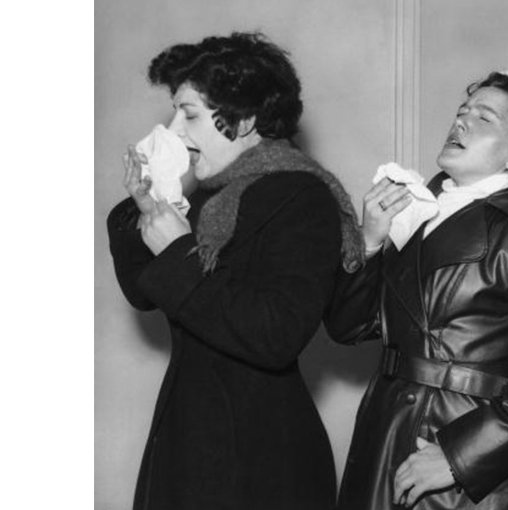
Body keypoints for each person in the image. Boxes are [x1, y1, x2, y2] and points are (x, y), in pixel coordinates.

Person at [107, 32, 363, 510]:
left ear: (244, 121)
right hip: (189, 440)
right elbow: (143, 293)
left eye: (189, 115)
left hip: (258, 457)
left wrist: (179, 251)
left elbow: (276, 335)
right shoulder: (214, 197)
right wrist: (146, 206)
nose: (175, 132)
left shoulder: (302, 197)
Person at [324, 71, 508, 509]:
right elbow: (346, 326)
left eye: (484, 117)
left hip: (459, 463)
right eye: (463, 111)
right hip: (387, 435)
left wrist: (458, 456)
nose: (461, 121)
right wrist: (369, 241)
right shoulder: (422, 211)